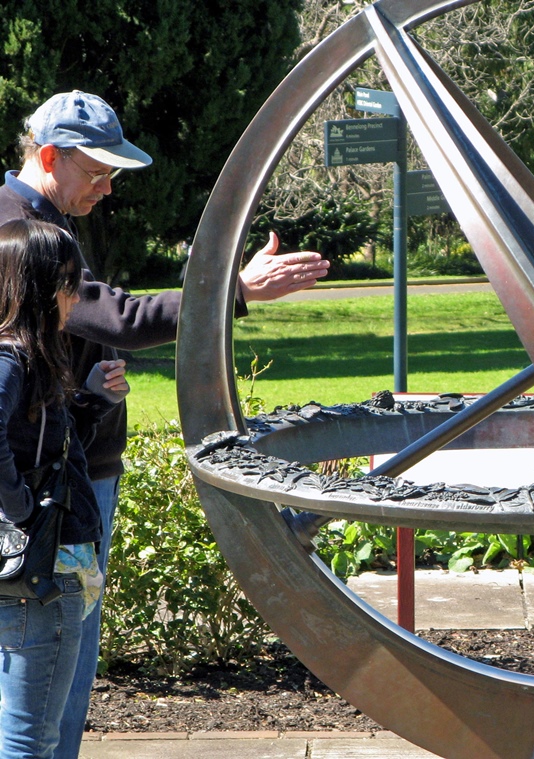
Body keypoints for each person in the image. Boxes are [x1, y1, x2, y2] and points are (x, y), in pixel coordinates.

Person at [0, 90, 330, 758]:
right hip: (57, 493)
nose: (109, 186)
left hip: (68, 473)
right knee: (47, 695)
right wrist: (230, 289)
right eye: (96, 170)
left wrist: (88, 391)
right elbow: (114, 316)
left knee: (47, 685)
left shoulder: (41, 215)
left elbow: (55, 352)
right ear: (49, 155)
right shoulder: (23, 228)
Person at [0, 218, 130, 759]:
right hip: (42, 574)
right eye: (69, 281)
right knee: (32, 737)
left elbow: (43, 442)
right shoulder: (13, 357)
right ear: (36, 287)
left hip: (40, 572)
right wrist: (24, 509)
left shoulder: (30, 357)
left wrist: (90, 399)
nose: (77, 296)